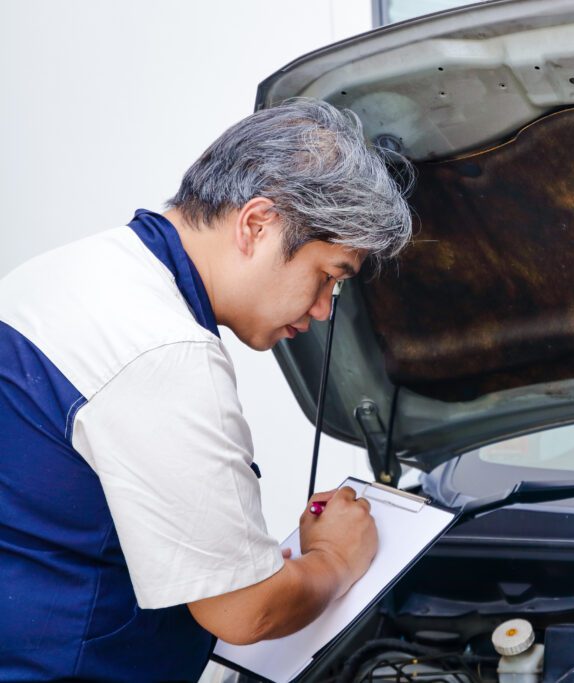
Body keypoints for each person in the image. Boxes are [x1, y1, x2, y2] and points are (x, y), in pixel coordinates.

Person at [0, 99, 413, 681]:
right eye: (328, 276)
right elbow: (246, 612)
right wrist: (336, 558)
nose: (322, 310)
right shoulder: (164, 352)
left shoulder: (69, 272)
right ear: (257, 224)